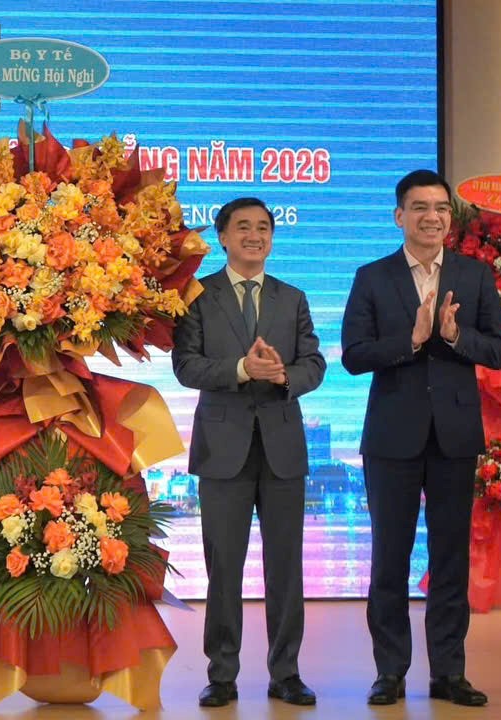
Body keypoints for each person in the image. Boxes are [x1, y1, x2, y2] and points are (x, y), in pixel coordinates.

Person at [342, 169, 501, 707]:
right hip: (391, 437)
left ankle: (449, 674)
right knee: (389, 560)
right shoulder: (372, 277)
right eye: (419, 207)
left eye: (440, 208)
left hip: (455, 437)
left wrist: (457, 336)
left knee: (451, 560)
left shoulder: (474, 275)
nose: (431, 217)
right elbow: (353, 355)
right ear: (400, 216)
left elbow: (499, 351)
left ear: (449, 218)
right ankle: (390, 673)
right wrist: (411, 340)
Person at [172, 197, 326, 708]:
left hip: (282, 448)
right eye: (243, 227)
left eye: (263, 227)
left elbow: (314, 363)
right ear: (222, 237)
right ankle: (222, 675)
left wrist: (283, 375)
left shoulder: (292, 298)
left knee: (286, 567)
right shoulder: (198, 296)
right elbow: (186, 366)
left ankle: (287, 673)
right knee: (223, 568)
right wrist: (242, 369)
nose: (254, 235)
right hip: (223, 450)